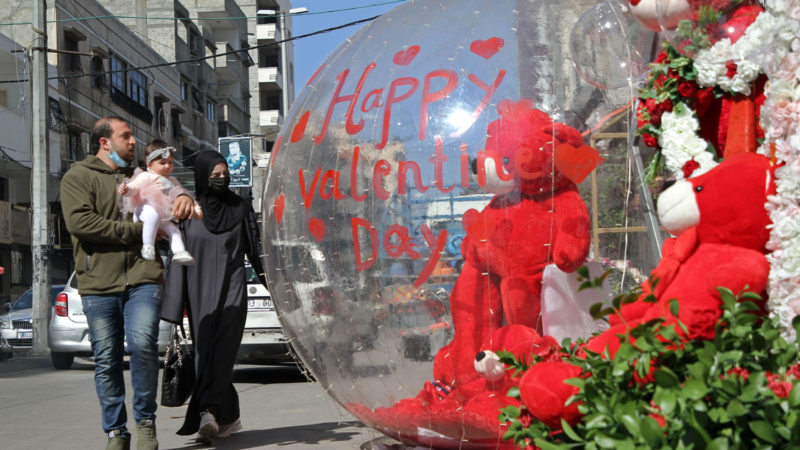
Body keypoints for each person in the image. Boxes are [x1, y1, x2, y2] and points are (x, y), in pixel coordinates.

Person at [61, 117, 196, 450]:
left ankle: (146, 425)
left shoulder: (142, 175)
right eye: (126, 136)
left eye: (133, 136)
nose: (134, 141)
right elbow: (82, 224)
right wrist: (139, 232)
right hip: (97, 283)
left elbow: (172, 188)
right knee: (106, 359)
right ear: (105, 142)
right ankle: (116, 432)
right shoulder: (78, 177)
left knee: (143, 349)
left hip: (144, 276)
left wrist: (183, 198)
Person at [162, 150, 266, 443]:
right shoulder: (188, 213)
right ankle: (229, 417)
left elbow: (257, 253)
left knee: (222, 353)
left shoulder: (241, 209)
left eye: (224, 175)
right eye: (214, 175)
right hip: (199, 295)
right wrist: (174, 305)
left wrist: (278, 288)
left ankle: (207, 412)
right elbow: (176, 258)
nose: (221, 180)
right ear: (202, 177)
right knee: (206, 354)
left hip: (233, 291)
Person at [118, 140, 201, 265]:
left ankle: (179, 252)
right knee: (152, 215)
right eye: (162, 163)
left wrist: (195, 208)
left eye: (170, 162)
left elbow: (182, 193)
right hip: (144, 209)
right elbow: (134, 187)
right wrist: (127, 190)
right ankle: (147, 246)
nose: (167, 166)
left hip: (162, 215)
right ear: (150, 165)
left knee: (174, 231)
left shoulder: (172, 180)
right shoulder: (146, 176)